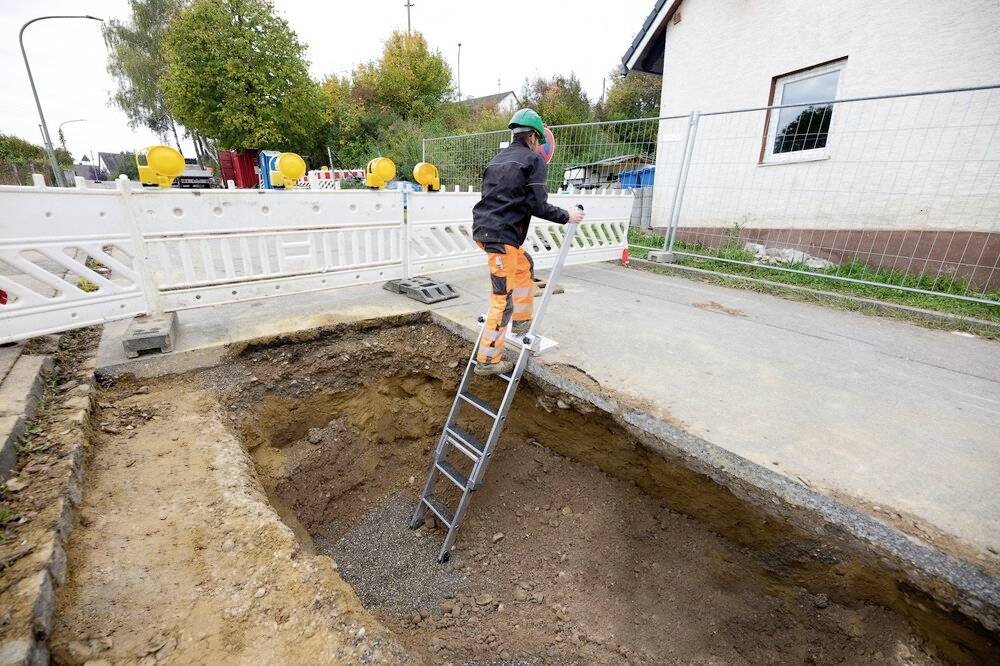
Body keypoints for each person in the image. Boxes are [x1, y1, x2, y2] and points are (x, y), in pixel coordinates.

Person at [471, 108, 585, 377]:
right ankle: (487, 361)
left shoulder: (497, 160)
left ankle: (522, 324)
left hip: (486, 231)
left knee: (523, 266)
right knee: (502, 298)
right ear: (533, 137)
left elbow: (501, 198)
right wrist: (567, 216)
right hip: (501, 239)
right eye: (539, 140)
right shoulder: (533, 161)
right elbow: (537, 204)